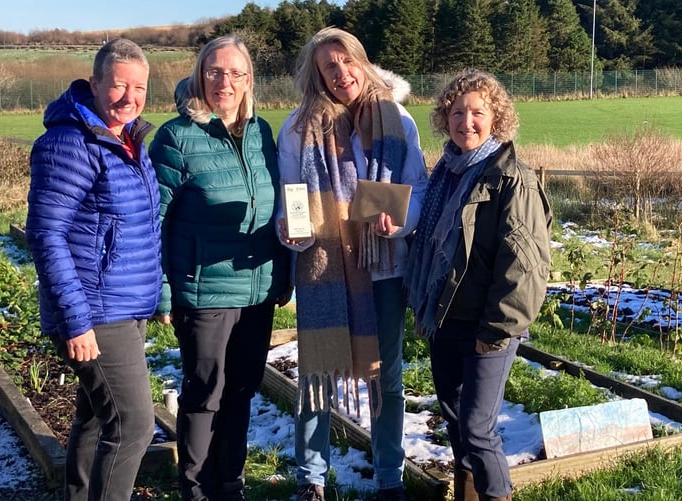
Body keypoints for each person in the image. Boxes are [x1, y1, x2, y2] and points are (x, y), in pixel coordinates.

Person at [276, 27, 429, 501]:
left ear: (361, 61)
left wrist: (397, 221)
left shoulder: (397, 119)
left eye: (347, 62)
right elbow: (290, 200)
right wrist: (290, 229)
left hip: (384, 269)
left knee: (388, 376)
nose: (341, 73)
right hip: (325, 270)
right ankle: (312, 480)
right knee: (318, 374)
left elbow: (417, 188)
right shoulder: (298, 129)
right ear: (317, 76)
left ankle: (389, 477)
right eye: (329, 66)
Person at [148, 35, 291, 501]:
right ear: (199, 76)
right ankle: (195, 487)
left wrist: (283, 273)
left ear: (249, 80)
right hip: (204, 290)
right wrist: (164, 291)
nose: (223, 82)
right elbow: (155, 220)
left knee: (242, 390)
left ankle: (230, 482)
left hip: (257, 289)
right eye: (214, 72)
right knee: (206, 391)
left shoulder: (262, 134)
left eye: (234, 73)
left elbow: (279, 210)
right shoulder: (176, 137)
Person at [405, 69, 552, 501]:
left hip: (488, 326)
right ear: (443, 119)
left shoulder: (511, 178)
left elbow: (524, 267)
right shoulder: (445, 174)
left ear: (496, 120)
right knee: (454, 418)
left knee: (477, 427)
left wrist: (496, 330)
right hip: (446, 317)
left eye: (477, 112)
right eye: (456, 112)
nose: (465, 121)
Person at [25, 38, 161, 501]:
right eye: (119, 85)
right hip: (96, 312)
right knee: (134, 427)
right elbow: (46, 235)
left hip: (124, 304)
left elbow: (143, 226)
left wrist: (155, 293)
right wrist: (77, 323)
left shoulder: (127, 139)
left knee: (94, 417)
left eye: (139, 87)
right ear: (95, 83)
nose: (129, 97)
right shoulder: (71, 141)